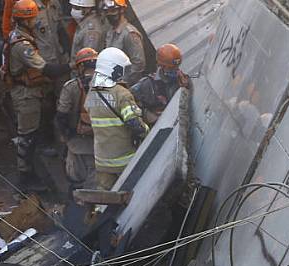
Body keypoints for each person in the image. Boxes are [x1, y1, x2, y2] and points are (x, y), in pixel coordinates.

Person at [3, 0, 68, 190]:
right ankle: (25, 177)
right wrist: (71, 66)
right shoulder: (22, 45)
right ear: (25, 21)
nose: (35, 21)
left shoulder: (20, 35)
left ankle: (29, 172)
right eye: (31, 19)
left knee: (31, 133)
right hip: (25, 94)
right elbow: (47, 68)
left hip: (31, 90)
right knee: (27, 136)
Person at [84, 47, 148, 190]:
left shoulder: (93, 91)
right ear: (114, 69)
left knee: (105, 201)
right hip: (124, 161)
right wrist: (148, 133)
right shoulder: (121, 93)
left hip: (102, 161)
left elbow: (89, 110)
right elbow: (135, 124)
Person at [57, 47, 97, 191]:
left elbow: (62, 114)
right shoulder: (107, 86)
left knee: (76, 183)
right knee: (95, 185)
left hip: (76, 144)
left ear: (80, 66)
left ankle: (77, 210)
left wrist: (65, 135)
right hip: (100, 145)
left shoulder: (71, 87)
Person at [131, 43, 190, 126]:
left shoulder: (183, 81)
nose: (174, 70)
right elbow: (130, 102)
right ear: (160, 65)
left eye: (176, 67)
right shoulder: (147, 85)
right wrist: (149, 116)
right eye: (170, 68)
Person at [101, 0, 145, 85]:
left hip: (129, 86)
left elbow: (138, 64)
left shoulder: (129, 33)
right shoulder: (110, 32)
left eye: (113, 11)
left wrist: (123, 82)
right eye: (107, 12)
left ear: (122, 10)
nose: (109, 14)